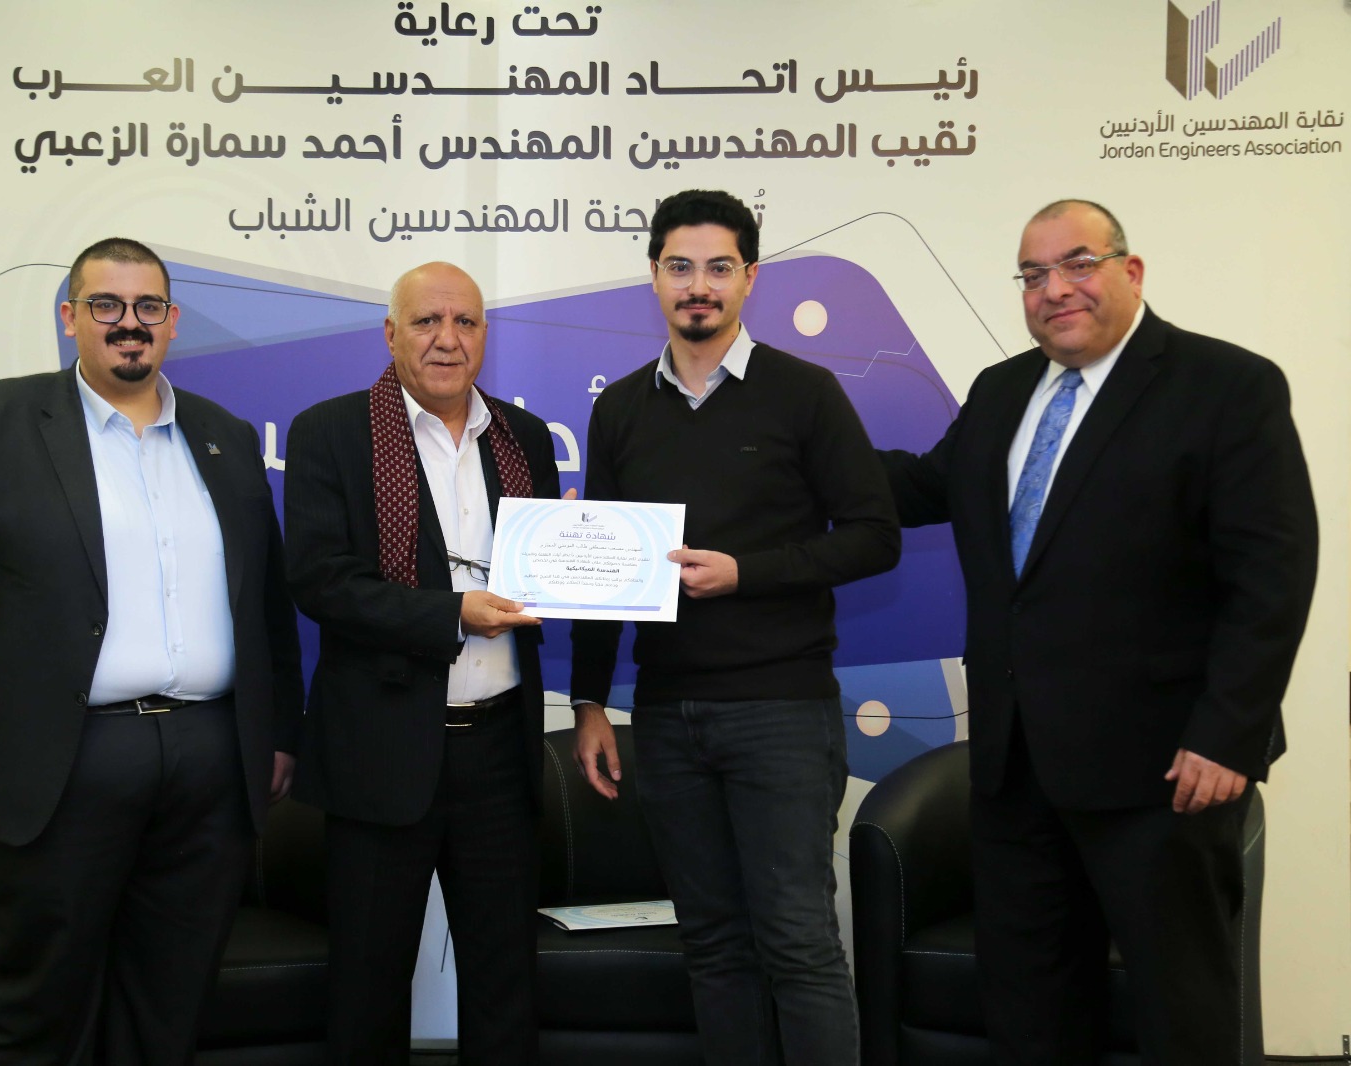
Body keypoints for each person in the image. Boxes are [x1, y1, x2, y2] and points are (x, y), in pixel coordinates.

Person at [878, 199, 1317, 1065]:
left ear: (1131, 270)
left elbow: (1273, 575)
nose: (1054, 290)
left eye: (1078, 264)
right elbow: (924, 487)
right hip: (1015, 769)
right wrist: (793, 448)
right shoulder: (1002, 390)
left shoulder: (1226, 385)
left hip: (1163, 773)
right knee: (1029, 1009)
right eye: (1033, 275)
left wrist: (1226, 734)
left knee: (1180, 1010)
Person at [0, 237, 304, 1066]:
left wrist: (279, 731)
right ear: (70, 317)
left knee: (172, 995)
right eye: (106, 305)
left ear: (172, 322)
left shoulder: (221, 435)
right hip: (59, 757)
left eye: (148, 307)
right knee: (44, 997)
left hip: (209, 759)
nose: (128, 324)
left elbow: (264, 602)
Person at [570, 189, 901, 1065]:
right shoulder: (620, 408)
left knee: (797, 943)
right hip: (666, 717)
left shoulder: (805, 393)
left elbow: (875, 536)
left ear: (750, 278)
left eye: (719, 268)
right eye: (680, 267)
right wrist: (591, 701)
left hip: (780, 710)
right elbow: (606, 570)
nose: (699, 286)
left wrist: (745, 573)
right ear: (654, 276)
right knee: (713, 946)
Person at [284, 262, 561, 1066]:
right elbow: (322, 580)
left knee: (506, 986)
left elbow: (539, 577)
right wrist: (451, 614)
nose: (447, 339)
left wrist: (572, 555)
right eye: (426, 321)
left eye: (465, 322)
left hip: (500, 751)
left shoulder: (523, 437)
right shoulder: (331, 432)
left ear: (485, 334)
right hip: (380, 750)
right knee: (367, 989)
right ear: (390, 334)